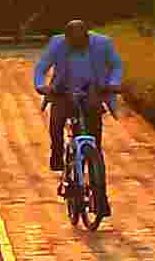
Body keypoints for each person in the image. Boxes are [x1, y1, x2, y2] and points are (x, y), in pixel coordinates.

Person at [29, 20, 124, 225]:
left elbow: (116, 65)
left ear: (88, 36)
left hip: (92, 91)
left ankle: (101, 197)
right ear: (66, 38)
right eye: (72, 42)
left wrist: (113, 84)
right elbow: (41, 68)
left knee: (95, 145)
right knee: (56, 124)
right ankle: (57, 153)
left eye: (81, 41)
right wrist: (41, 86)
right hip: (63, 90)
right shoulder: (57, 44)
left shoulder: (103, 44)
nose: (76, 44)